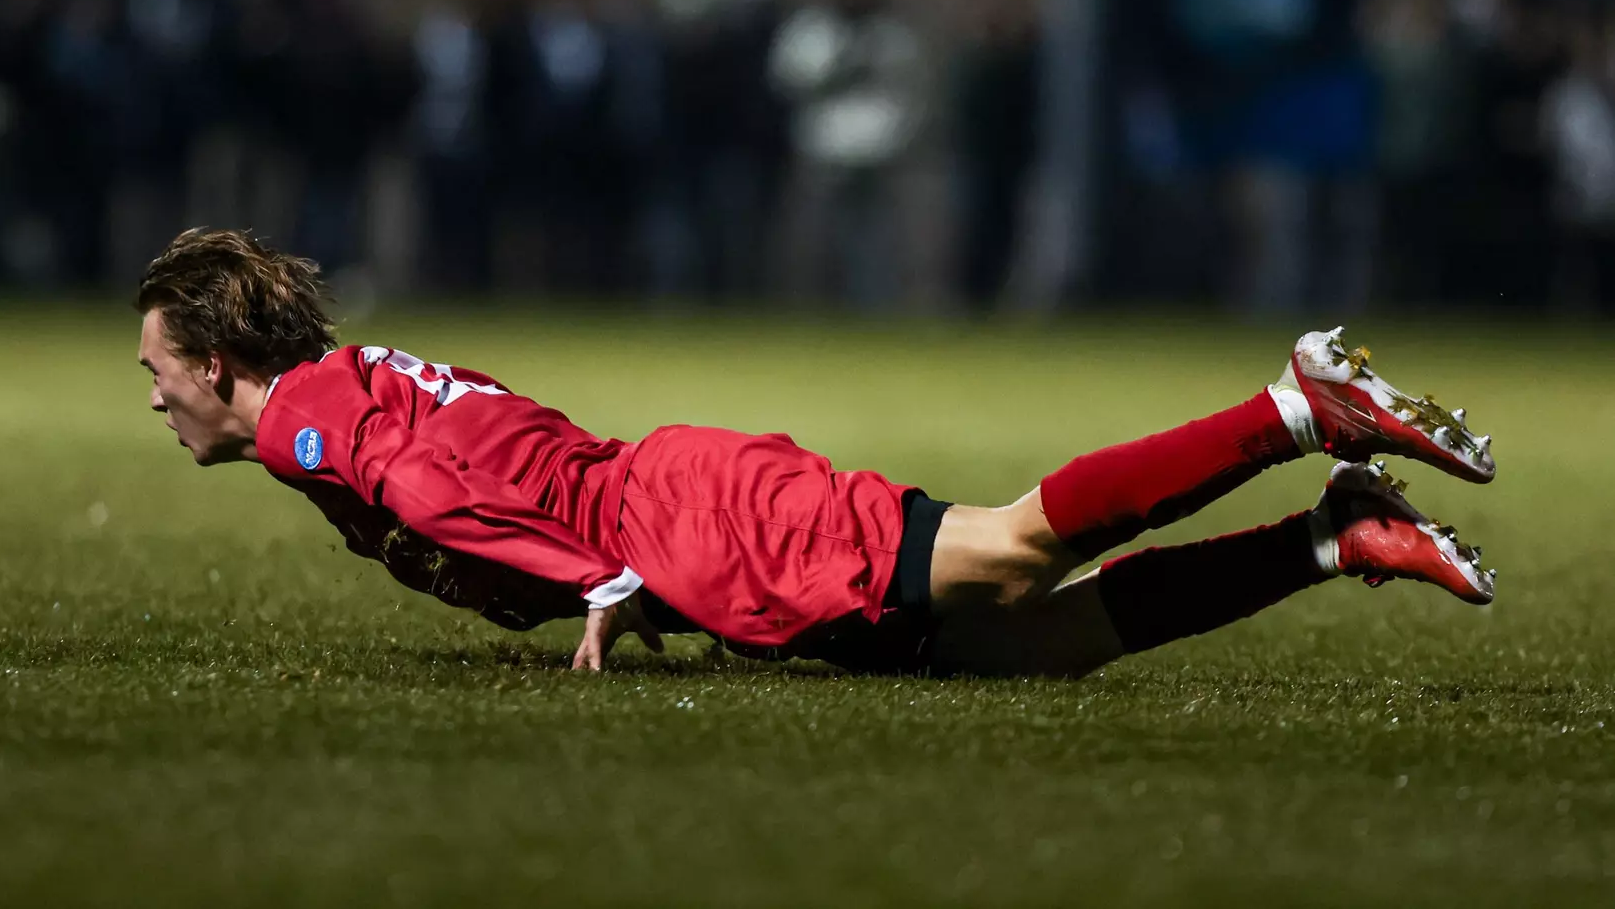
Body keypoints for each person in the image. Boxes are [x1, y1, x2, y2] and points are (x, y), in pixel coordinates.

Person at [133, 229, 1499, 676]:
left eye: (155, 374)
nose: (154, 403)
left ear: (213, 363)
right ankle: (1333, 530)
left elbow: (424, 487)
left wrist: (592, 579)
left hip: (684, 522)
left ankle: (1296, 410)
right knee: (1029, 647)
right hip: (678, 522)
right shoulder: (356, 376)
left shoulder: (306, 417)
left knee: (1010, 546)